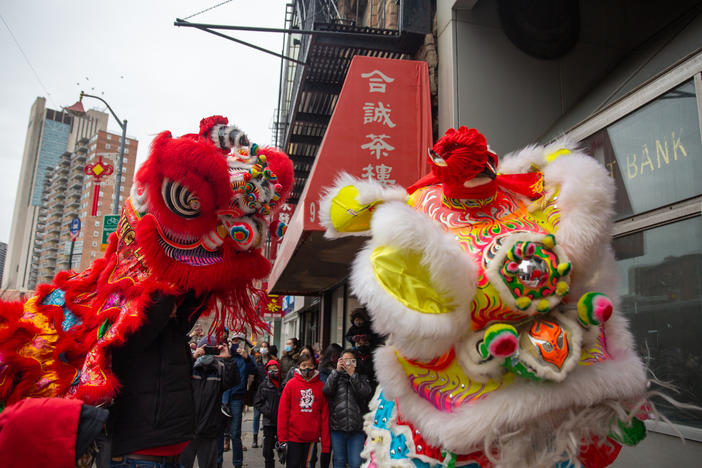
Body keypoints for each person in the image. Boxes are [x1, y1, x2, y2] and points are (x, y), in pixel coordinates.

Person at [107, 292, 209, 468]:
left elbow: (193, 303)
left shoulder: (172, 330)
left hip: (173, 454)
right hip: (139, 457)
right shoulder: (127, 332)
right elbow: (158, 311)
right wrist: (166, 296)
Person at [180, 338, 238, 468]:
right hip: (188, 428)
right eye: (205, 349)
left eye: (211, 350)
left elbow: (232, 381)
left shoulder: (219, 369)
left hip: (209, 428)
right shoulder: (191, 367)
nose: (207, 354)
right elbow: (176, 377)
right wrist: (193, 357)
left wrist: (227, 359)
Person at [277, 354, 330, 468]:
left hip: (312, 439)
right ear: (298, 366)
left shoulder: (321, 387)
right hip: (293, 438)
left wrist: (325, 445)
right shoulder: (290, 385)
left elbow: (324, 416)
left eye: (310, 365)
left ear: (315, 366)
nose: (307, 368)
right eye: (304, 365)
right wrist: (282, 439)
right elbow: (283, 413)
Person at [322, 349, 371, 468]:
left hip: (356, 428)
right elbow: (327, 390)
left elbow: (366, 393)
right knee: (339, 461)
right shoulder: (335, 376)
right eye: (345, 360)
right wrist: (336, 371)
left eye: (351, 361)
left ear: (356, 362)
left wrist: (353, 376)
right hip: (337, 426)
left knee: (356, 462)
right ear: (339, 361)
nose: (347, 363)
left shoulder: (361, 377)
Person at [220, 332, 256, 468]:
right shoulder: (225, 353)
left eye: (239, 341)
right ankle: (217, 462)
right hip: (222, 397)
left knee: (235, 432)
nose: (236, 344)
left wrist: (248, 358)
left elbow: (254, 371)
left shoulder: (244, 358)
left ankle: (238, 463)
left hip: (237, 398)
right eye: (234, 341)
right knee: (219, 431)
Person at [253, 359, 283, 468]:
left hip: (282, 422)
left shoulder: (284, 384)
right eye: (270, 369)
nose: (273, 371)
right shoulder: (264, 385)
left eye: (275, 369)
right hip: (269, 423)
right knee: (267, 451)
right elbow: (257, 402)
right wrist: (268, 411)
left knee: (285, 448)